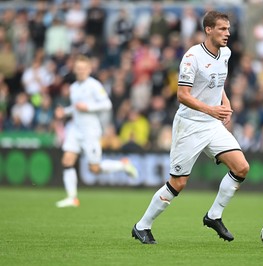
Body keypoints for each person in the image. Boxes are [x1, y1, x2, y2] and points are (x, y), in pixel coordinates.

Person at [131, 11, 250, 244]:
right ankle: (141, 226)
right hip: (190, 125)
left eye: (228, 29)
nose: (227, 33)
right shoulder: (191, 57)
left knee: (241, 168)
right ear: (208, 29)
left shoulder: (225, 53)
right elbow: (182, 95)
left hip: (212, 125)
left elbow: (217, 82)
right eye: (222, 29)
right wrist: (212, 109)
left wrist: (224, 102)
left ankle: (214, 215)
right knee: (178, 183)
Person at [55, 55, 138, 208]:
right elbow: (76, 108)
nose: (80, 71)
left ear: (89, 69)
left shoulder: (94, 85)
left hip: (90, 131)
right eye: (78, 68)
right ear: (75, 70)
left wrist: (88, 107)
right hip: (76, 129)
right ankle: (72, 198)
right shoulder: (74, 87)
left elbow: (107, 104)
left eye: (83, 68)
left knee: (94, 168)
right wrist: (65, 112)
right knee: (67, 160)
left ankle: (123, 164)